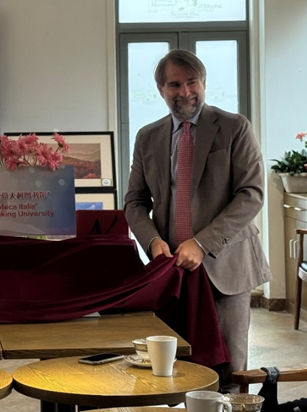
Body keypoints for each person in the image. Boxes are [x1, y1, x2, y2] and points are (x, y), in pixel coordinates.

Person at [124, 49, 271, 385]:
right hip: (172, 271)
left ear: (204, 83)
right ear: (161, 89)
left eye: (192, 82)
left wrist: (202, 244)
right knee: (173, 370)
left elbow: (251, 194)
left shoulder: (234, 127)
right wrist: (152, 241)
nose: (185, 92)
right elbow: (134, 201)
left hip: (226, 268)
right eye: (175, 85)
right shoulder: (147, 137)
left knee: (230, 372)